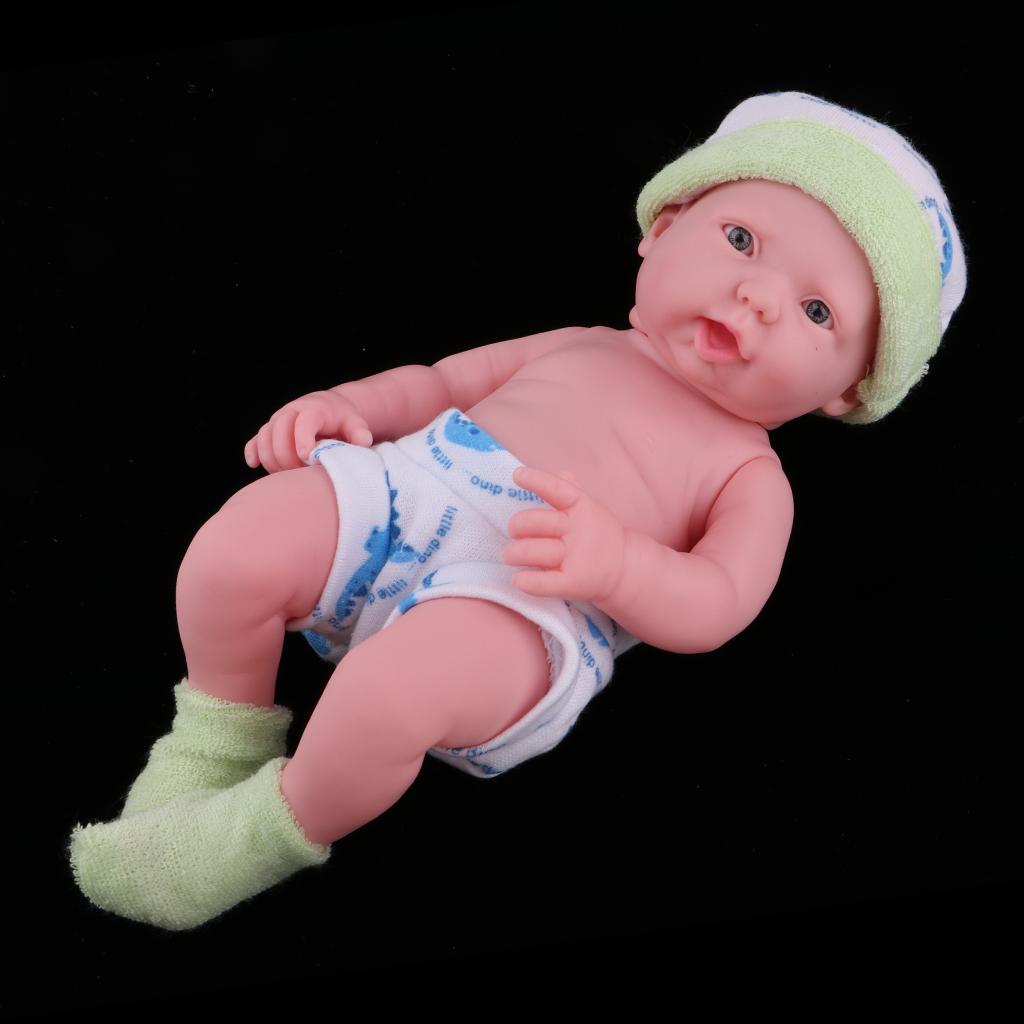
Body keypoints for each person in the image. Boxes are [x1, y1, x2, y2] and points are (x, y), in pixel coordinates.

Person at [68, 91, 967, 930]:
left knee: (385, 697)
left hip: (527, 600)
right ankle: (216, 738)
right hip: (415, 487)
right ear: (662, 229)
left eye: (817, 311)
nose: (759, 297)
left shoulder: (749, 475)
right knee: (234, 547)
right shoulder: (580, 344)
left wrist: (620, 567)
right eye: (740, 239)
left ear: (847, 391)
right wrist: (353, 407)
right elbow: (441, 384)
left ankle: (255, 834)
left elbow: (721, 601)